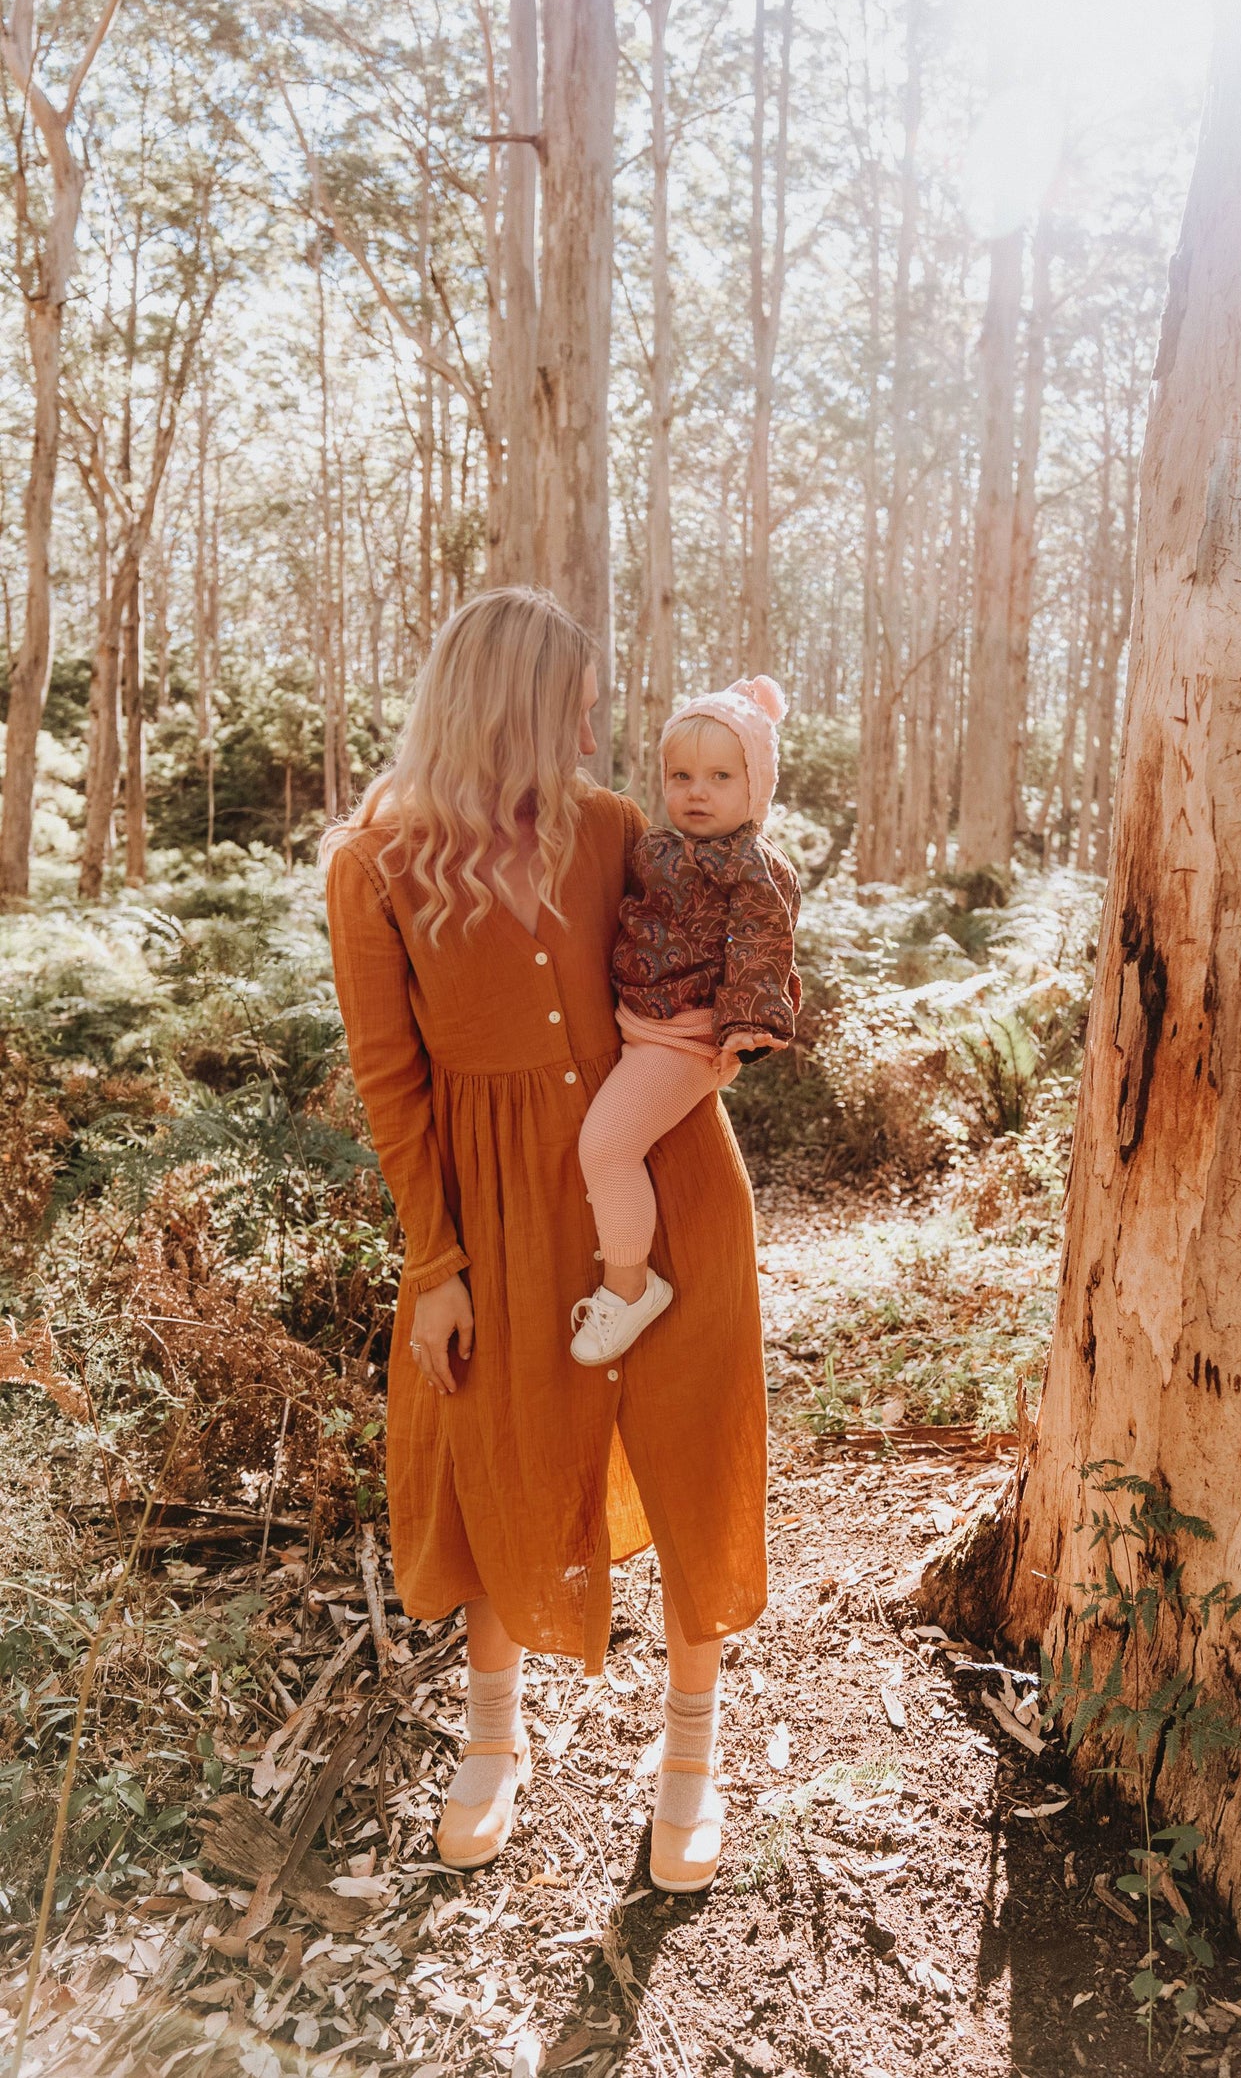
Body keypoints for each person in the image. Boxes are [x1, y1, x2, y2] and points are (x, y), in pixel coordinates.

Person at [321, 587, 768, 1894]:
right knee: (502, 1447)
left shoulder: (622, 830)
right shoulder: (374, 865)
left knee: (687, 1444)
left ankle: (692, 1752)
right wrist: (435, 1264)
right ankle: (491, 1734)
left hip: (667, 1184)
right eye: (573, 698)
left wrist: (740, 1016)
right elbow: (390, 1087)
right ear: (513, 703)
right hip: (501, 1214)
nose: (592, 721)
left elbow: (725, 914)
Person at [569, 678, 801, 1367]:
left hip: (689, 1036)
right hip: (639, 1016)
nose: (697, 791)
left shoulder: (754, 866)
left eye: (721, 777)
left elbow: (763, 945)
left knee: (607, 1147)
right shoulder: (657, 843)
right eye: (682, 775)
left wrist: (748, 1024)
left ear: (755, 785)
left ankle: (629, 1289)